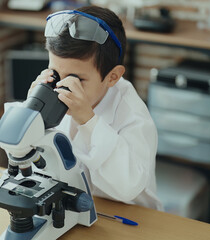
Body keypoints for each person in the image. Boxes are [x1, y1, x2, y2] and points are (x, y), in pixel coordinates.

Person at [24, 5, 162, 210]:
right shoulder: (54, 92)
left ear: (112, 76)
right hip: (76, 205)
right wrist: (30, 112)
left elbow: (128, 187)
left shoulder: (133, 116)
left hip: (131, 215)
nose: (63, 86)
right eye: (55, 73)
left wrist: (88, 121)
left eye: (76, 79)